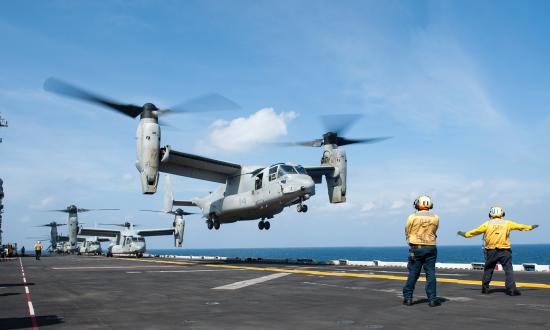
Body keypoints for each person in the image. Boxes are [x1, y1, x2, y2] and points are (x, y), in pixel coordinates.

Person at [457, 206, 539, 296]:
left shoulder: (487, 224)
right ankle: (511, 290)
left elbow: (475, 232)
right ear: (502, 214)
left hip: (491, 251)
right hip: (505, 251)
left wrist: (464, 234)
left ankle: (485, 288)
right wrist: (531, 227)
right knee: (508, 270)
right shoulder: (507, 223)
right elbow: (521, 227)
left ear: (490, 214)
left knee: (488, 269)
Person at [403, 195, 440, 307]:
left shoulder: (412, 217)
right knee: (431, 274)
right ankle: (432, 299)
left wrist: (410, 240)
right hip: (431, 247)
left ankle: (408, 298)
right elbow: (435, 229)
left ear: (418, 204)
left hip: (416, 248)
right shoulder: (436, 217)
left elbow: (407, 230)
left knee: (413, 273)